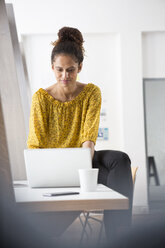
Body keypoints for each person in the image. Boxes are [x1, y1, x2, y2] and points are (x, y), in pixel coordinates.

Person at [27, 26, 133, 244]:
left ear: (80, 67)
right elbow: (36, 143)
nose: (64, 76)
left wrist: (84, 172)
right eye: (59, 70)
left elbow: (88, 137)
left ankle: (120, 237)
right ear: (52, 68)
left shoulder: (91, 93)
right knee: (45, 230)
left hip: (84, 160)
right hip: (54, 167)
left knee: (120, 160)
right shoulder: (41, 98)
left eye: (71, 70)